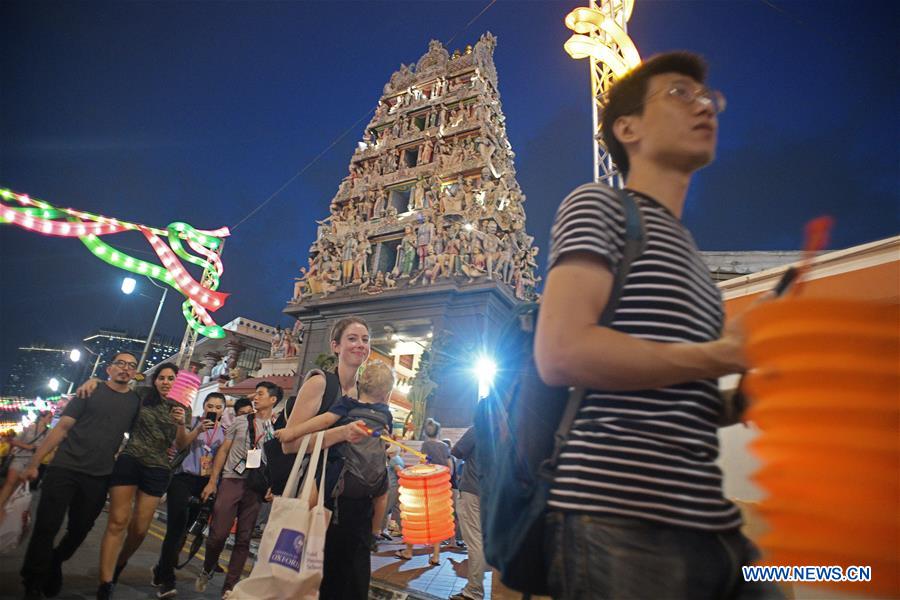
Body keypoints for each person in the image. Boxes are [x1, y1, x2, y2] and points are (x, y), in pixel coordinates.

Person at [533, 51, 781, 599]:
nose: (704, 107)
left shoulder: (691, 256)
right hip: (620, 520)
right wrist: (724, 355)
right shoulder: (600, 206)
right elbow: (562, 352)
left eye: (709, 98)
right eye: (679, 94)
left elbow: (679, 395)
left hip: (713, 521)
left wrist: (745, 398)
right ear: (628, 128)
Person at [18, 352, 141, 600]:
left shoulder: (134, 402)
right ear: (109, 368)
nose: (125, 368)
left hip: (99, 475)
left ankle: (55, 560)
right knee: (46, 527)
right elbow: (62, 428)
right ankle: (33, 581)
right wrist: (34, 462)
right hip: (64, 468)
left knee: (80, 529)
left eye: (131, 365)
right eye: (120, 363)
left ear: (135, 372)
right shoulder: (89, 391)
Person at [276, 361, 395, 597]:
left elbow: (323, 421)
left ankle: (300, 525)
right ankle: (375, 532)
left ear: (360, 384)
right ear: (386, 394)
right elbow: (386, 440)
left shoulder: (348, 404)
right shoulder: (386, 414)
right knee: (383, 495)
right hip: (371, 486)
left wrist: (292, 432)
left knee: (314, 499)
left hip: (339, 481)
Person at [91, 362, 192, 599]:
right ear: (155, 380)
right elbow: (117, 390)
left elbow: (181, 445)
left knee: (139, 530)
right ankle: (106, 582)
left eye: (171, 378)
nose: (166, 382)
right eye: (162, 378)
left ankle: (119, 563)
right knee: (118, 521)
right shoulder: (142, 395)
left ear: (177, 383)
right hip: (130, 460)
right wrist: (94, 382)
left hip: (158, 469)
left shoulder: (182, 407)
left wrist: (180, 424)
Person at [195, 382, 281, 598]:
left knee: (244, 538)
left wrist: (273, 485)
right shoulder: (241, 421)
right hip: (232, 480)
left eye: (260, 394)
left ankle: (229, 587)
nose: (255, 397)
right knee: (218, 534)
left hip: (256, 486)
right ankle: (208, 567)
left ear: (273, 400)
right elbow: (224, 450)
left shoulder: (277, 427)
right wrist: (213, 481)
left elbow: (277, 461)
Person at [152, 392, 227, 598]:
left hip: (204, 484)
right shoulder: (191, 421)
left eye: (218, 407)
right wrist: (198, 430)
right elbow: (181, 444)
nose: (213, 410)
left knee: (185, 530)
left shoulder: (223, 432)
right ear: (204, 407)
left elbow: (219, 460)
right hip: (182, 479)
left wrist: (212, 483)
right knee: (175, 529)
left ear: (223, 410)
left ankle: (160, 569)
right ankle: (167, 581)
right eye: (210, 406)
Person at [394, 418, 448, 564]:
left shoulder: (426, 445)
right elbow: (449, 466)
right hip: (440, 488)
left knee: (413, 517)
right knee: (436, 521)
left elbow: (424, 463)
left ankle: (409, 551)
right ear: (439, 432)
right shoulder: (444, 446)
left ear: (425, 432)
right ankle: (436, 556)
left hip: (425, 488)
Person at [0, 410, 52, 524]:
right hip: (19, 457)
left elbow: (49, 447)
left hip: (32, 462)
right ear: (41, 417)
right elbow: (13, 441)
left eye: (51, 417)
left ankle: (7, 511)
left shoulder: (49, 432)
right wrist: (28, 447)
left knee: (19, 488)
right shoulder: (29, 427)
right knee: (9, 483)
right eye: (49, 417)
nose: (51, 419)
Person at [450, 427, 484, 600]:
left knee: (475, 542)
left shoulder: (481, 426)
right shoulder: (511, 428)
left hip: (473, 489)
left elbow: (457, 451)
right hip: (495, 494)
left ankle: (474, 591)